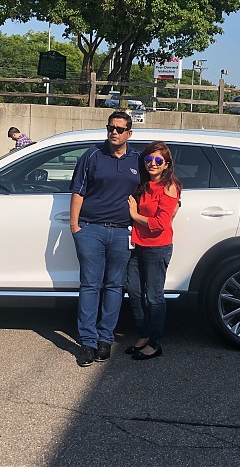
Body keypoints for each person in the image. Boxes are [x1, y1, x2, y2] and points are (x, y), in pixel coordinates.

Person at [69, 111, 140, 367]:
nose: (114, 132)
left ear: (129, 133)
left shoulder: (138, 159)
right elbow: (78, 190)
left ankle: (105, 339)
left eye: (120, 129)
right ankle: (87, 342)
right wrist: (75, 226)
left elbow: (151, 189)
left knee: (113, 286)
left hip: (122, 232)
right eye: (111, 127)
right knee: (90, 285)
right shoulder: (92, 155)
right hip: (91, 230)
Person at [125, 141, 181, 361]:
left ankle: (155, 343)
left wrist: (134, 214)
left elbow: (160, 223)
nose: (153, 164)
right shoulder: (144, 183)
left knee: (154, 296)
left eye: (159, 160)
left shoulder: (169, 186)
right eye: (149, 159)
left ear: (167, 164)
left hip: (157, 247)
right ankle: (143, 334)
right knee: (135, 292)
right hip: (138, 244)